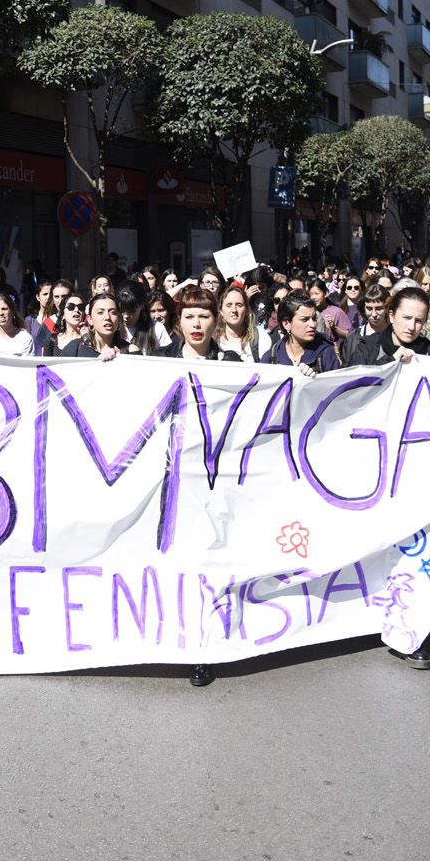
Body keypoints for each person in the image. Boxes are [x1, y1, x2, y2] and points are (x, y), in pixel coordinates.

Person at [341, 285, 430, 667]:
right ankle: (361, 618)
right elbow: (343, 402)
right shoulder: (365, 350)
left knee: (412, 552)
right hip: (367, 473)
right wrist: (389, 370)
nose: (413, 326)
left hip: (417, 473)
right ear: (391, 313)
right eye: (406, 318)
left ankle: (409, 631)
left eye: (420, 320)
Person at [152, 284, 240, 689]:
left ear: (215, 319)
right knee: (180, 563)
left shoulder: (232, 361)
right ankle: (185, 642)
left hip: (217, 479)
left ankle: (206, 646)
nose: (197, 323)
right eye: (189, 316)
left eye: (204, 315)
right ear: (177, 321)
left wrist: (300, 377)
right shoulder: (158, 363)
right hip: (172, 482)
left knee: (211, 561)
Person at [262, 293, 339, 375]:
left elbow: (336, 386)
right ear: (286, 324)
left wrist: (314, 381)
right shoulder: (271, 357)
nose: (312, 325)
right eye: (304, 320)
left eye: (313, 318)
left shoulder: (326, 354)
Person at [61, 293, 127, 359]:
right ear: (90, 319)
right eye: (100, 312)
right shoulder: (74, 348)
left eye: (113, 312)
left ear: (119, 318)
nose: (107, 317)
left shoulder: (130, 350)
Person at [216, 285, 268, 362]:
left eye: (239, 305)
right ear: (221, 311)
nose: (234, 310)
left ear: (246, 310)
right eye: (229, 305)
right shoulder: (213, 339)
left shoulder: (261, 338)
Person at [0, 291, 36, 357]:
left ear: (12, 311)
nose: (1, 313)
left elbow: (27, 365)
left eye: (4, 309)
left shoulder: (25, 339)